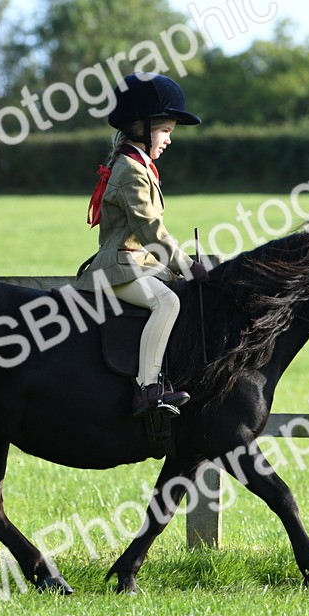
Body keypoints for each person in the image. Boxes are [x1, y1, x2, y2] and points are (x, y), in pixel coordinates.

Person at [74, 72, 208, 417]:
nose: (168, 140)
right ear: (139, 128)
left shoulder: (138, 165)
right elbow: (151, 231)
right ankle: (149, 388)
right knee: (167, 303)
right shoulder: (131, 171)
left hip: (135, 263)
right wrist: (187, 266)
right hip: (118, 267)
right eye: (164, 131)